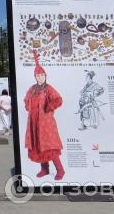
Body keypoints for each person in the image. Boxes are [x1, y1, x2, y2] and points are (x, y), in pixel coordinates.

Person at [24, 50, 65, 180]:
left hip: (46, 123)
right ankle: (45, 169)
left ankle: (60, 170)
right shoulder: (32, 88)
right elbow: (26, 99)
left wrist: (49, 106)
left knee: (49, 146)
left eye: (42, 75)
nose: (40, 77)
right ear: (35, 77)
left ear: (45, 76)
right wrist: (28, 106)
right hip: (34, 122)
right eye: (38, 76)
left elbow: (58, 99)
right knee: (38, 145)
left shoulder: (48, 88)